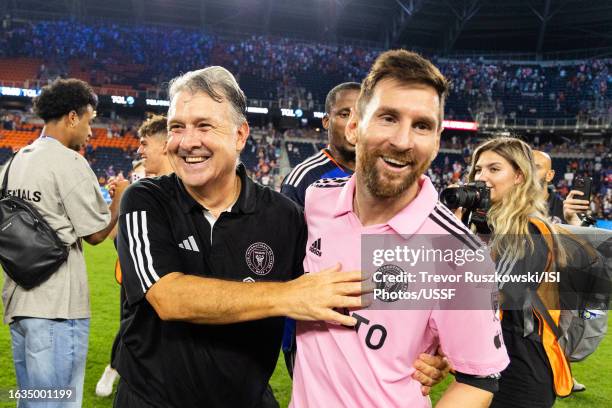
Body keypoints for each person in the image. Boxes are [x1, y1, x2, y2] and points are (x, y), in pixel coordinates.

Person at [113, 66, 370, 407]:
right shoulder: (145, 199)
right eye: (178, 127)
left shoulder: (284, 216)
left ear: (239, 135)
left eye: (204, 126)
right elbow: (169, 297)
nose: (188, 141)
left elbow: (341, 288)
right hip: (153, 401)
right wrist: (287, 295)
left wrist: (421, 349)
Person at [290, 50, 510, 407]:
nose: (403, 141)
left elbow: (478, 381)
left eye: (421, 125)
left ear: (438, 141)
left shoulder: (458, 254)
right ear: (354, 126)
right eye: (388, 118)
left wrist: (438, 352)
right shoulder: (317, 200)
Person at [280, 81, 450, 391]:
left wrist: (438, 349)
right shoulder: (308, 184)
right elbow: (289, 264)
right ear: (335, 123)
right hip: (316, 333)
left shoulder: (413, 193)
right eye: (344, 113)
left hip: (389, 338)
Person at [0, 78, 128, 407]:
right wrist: (119, 200)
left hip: (18, 303)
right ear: (72, 117)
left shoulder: (13, 162)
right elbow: (97, 234)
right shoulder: (70, 162)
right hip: (58, 307)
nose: (90, 130)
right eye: (89, 119)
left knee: (32, 401)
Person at [468, 137, 572, 407]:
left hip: (521, 369)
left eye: (494, 169)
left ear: (518, 176)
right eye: (478, 169)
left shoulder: (530, 229)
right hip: (492, 362)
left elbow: (497, 294)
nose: (482, 177)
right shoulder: (491, 227)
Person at [95, 115, 173, 397]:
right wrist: (122, 201)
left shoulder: (182, 190)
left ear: (165, 145)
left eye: (144, 143)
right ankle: (115, 368)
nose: (139, 150)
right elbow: (122, 243)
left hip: (168, 296)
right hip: (136, 288)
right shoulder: (143, 191)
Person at [281, 82, 359, 206]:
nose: (354, 124)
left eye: (363, 116)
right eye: (345, 115)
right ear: (326, 122)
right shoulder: (303, 179)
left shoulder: (383, 174)